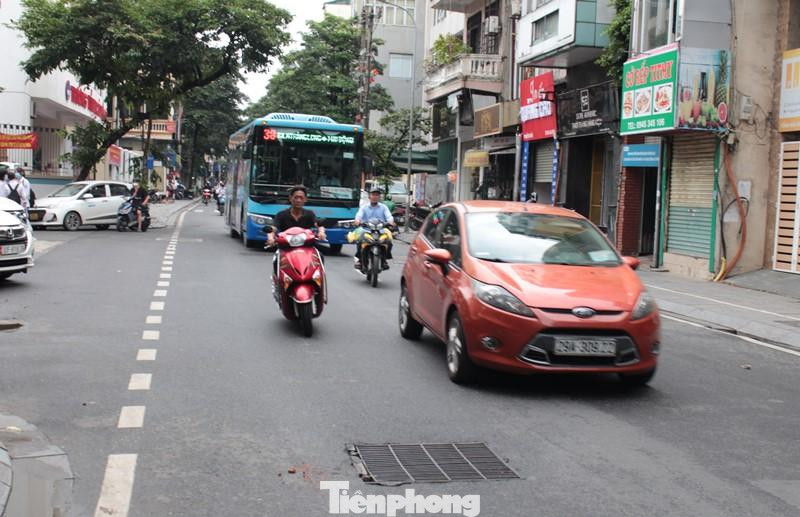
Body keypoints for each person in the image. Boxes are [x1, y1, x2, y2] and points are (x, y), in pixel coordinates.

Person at [267, 186, 327, 273]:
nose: (298, 200)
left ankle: (319, 282)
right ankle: (279, 283)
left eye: (301, 198)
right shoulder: (281, 215)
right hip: (286, 247)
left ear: (305, 199)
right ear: (290, 198)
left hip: (306, 247)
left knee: (320, 257)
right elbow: (273, 228)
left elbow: (318, 224)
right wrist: (270, 237)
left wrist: (321, 232)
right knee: (277, 261)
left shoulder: (309, 214)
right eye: (296, 197)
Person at [353, 187, 395, 269]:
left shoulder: (384, 207)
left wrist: (390, 222)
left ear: (379, 197)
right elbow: (358, 216)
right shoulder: (364, 207)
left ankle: (384, 260)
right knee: (359, 240)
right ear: (369, 196)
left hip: (381, 230)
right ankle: (360, 260)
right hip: (366, 230)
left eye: (377, 195)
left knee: (389, 241)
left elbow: (389, 216)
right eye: (373, 195)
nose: (375, 197)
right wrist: (357, 221)